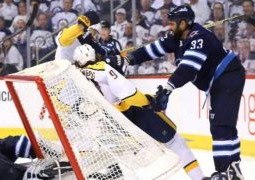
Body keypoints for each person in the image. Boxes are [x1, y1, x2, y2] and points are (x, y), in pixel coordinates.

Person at [128, 5, 245, 180]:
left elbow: (188, 70)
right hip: (222, 79)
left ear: (183, 24)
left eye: (173, 23)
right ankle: (233, 170)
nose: (170, 27)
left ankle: (224, 173)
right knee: (225, 125)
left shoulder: (200, 38)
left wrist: (167, 89)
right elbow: (151, 50)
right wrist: (127, 59)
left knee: (220, 126)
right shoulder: (175, 38)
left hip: (227, 76)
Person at [73, 44, 204, 180]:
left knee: (123, 155)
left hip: (115, 117)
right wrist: (113, 60)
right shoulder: (99, 67)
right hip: (135, 108)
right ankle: (199, 178)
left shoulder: (79, 76)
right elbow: (118, 81)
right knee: (175, 142)